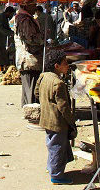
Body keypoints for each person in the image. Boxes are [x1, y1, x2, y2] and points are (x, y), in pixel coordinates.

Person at [35, 49, 76, 185]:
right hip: (57, 122)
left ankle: (51, 167)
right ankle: (56, 175)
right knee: (57, 147)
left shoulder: (43, 76)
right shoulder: (58, 83)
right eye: (65, 63)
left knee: (52, 144)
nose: (67, 66)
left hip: (46, 118)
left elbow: (36, 93)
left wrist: (46, 103)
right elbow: (63, 107)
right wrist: (71, 123)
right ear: (57, 66)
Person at [16, 0, 43, 106]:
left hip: (26, 58)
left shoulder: (22, 18)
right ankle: (32, 110)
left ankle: (27, 108)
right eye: (33, 6)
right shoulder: (25, 20)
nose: (35, 8)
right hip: (29, 58)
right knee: (31, 87)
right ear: (26, 7)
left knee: (28, 87)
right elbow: (30, 39)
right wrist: (42, 40)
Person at [0, 6, 15, 72]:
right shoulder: (1, 17)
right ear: (8, 12)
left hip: (0, 38)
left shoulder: (5, 17)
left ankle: (3, 68)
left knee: (2, 52)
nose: (12, 16)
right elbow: (1, 29)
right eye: (11, 14)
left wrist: (12, 32)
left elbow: (6, 28)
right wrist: (10, 33)